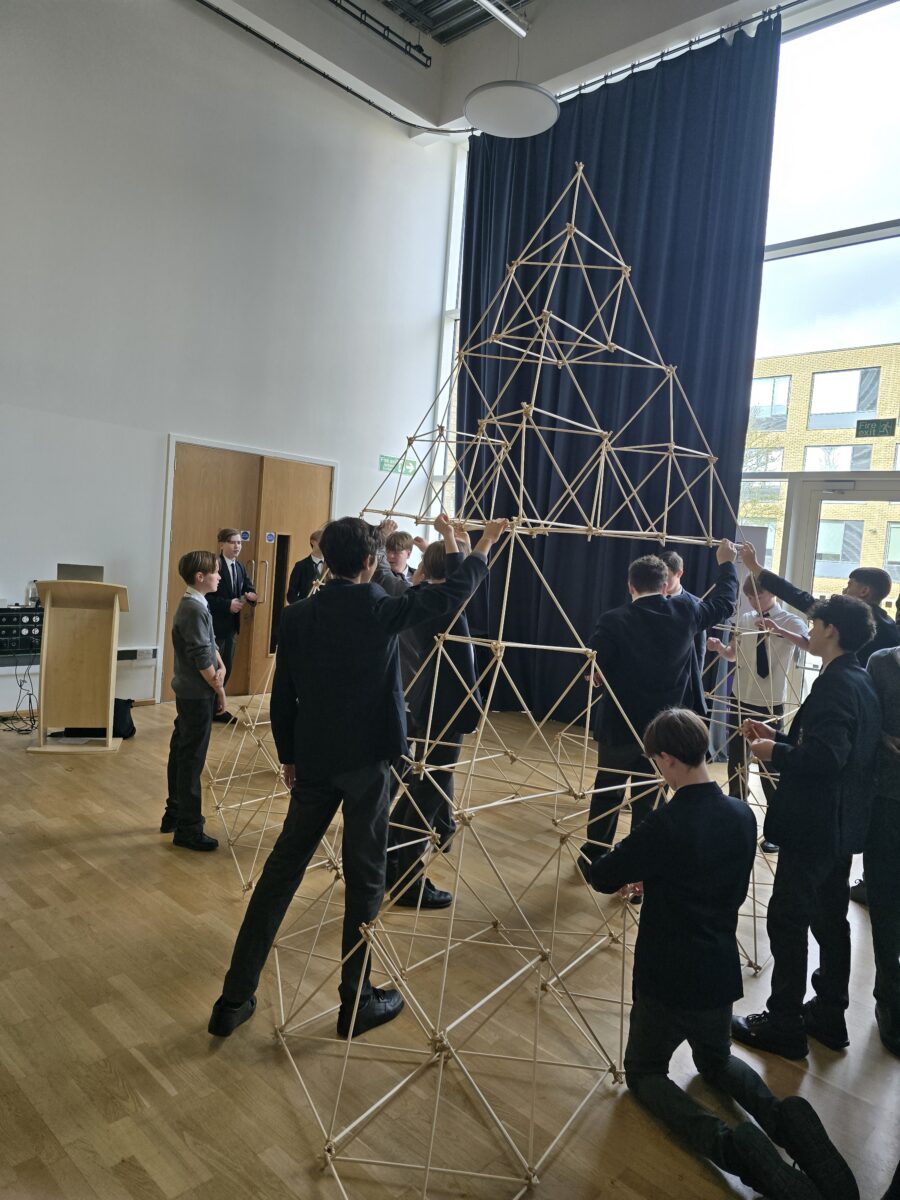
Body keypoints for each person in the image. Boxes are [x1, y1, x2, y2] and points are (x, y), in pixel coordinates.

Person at [207, 514, 507, 1042]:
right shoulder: (382, 608)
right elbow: (453, 592)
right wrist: (478, 545)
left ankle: (233, 999)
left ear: (330, 558)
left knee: (281, 873)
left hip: (315, 759)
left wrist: (290, 755)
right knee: (365, 877)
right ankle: (356, 999)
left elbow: (284, 695)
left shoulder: (297, 615)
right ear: (371, 562)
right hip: (369, 761)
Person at [589, 707, 858, 1200]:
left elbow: (604, 874)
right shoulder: (740, 813)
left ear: (667, 760)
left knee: (645, 1074)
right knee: (714, 1059)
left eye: (656, 762)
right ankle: (786, 1120)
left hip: (667, 978)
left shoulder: (665, 824)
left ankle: (734, 1148)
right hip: (717, 971)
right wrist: (658, 871)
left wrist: (628, 860)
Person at [731, 595, 881, 1060]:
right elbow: (838, 748)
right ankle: (829, 1015)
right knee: (829, 919)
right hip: (839, 828)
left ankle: (783, 1022)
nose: (810, 632)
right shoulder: (859, 679)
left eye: (815, 625)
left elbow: (826, 759)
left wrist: (777, 753)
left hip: (814, 826)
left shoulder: (837, 685)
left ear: (831, 630)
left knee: (788, 918)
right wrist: (782, 738)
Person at [579, 541, 738, 877]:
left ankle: (595, 855)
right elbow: (725, 603)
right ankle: (640, 865)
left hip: (620, 726)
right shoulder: (688, 612)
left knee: (608, 789)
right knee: (649, 797)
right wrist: (727, 565)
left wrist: (595, 673)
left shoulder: (613, 619)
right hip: (664, 731)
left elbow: (594, 664)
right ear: (665, 583)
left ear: (631, 585)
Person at [387, 527, 479, 909]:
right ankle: (408, 881)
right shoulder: (442, 604)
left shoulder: (420, 597)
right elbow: (469, 575)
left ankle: (391, 861)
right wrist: (479, 543)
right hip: (442, 711)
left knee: (420, 786)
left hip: (427, 707)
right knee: (428, 793)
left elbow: (464, 573)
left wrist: (453, 544)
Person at [707, 574, 808, 851]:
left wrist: (777, 629)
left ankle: (775, 829)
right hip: (740, 698)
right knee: (737, 762)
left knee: (770, 769)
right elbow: (734, 654)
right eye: (750, 596)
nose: (754, 601)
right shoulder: (744, 618)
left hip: (770, 703)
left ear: (772, 594)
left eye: (759, 595)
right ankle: (736, 821)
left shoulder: (791, 620)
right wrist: (719, 649)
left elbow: (808, 644)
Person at [739, 542, 899, 668]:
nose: (844, 590)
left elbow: (798, 597)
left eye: (850, 585)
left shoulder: (845, 616)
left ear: (864, 591)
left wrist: (755, 567)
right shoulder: (892, 630)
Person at [160, 551, 226, 851]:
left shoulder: (197, 604)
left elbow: (208, 644)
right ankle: (188, 827)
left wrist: (220, 661)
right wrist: (220, 688)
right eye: (215, 572)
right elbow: (201, 655)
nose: (219, 577)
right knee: (191, 758)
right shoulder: (194, 608)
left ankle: (174, 812)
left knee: (182, 750)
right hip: (196, 693)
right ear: (200, 578)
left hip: (192, 691)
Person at [865, 645, 900, 1058]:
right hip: (886, 800)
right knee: (885, 903)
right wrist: (881, 739)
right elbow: (866, 723)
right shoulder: (881, 663)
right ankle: (890, 996)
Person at [206, 527, 257, 723]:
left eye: (239, 543)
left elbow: (246, 586)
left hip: (232, 628)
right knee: (213, 669)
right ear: (222, 544)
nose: (237, 546)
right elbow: (208, 597)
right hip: (216, 626)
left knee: (226, 668)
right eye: (233, 542)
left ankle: (218, 709)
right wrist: (228, 604)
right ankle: (209, 709)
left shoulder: (240, 567)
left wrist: (252, 596)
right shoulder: (214, 564)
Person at [658, 549, 709, 718]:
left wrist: (695, 680)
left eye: (667, 576)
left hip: (682, 682)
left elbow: (699, 649)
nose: (662, 581)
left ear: (679, 573)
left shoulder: (695, 604)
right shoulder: (650, 600)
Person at [286, 528, 325, 603]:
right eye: (322, 541)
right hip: (307, 610)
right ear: (313, 542)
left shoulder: (331, 566)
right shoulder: (300, 566)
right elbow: (291, 594)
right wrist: (302, 608)